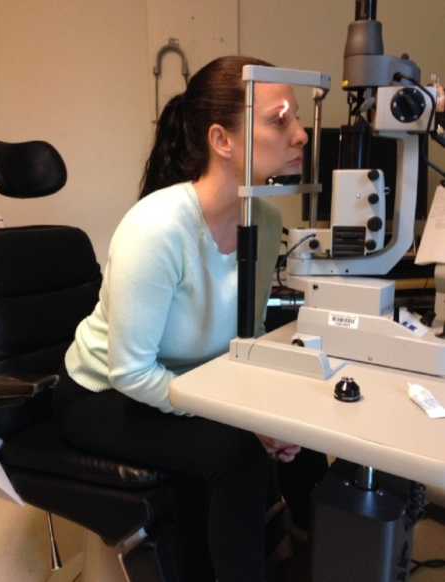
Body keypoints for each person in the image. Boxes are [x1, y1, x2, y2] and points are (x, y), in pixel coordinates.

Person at [54, 55, 326, 582]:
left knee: (308, 435)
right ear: (222, 140)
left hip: (191, 381)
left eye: (297, 120)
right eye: (280, 120)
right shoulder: (157, 229)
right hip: (102, 393)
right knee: (237, 455)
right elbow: (131, 373)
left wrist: (272, 417)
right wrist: (239, 419)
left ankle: (313, 557)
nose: (300, 137)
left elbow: (240, 341)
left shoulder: (264, 221)